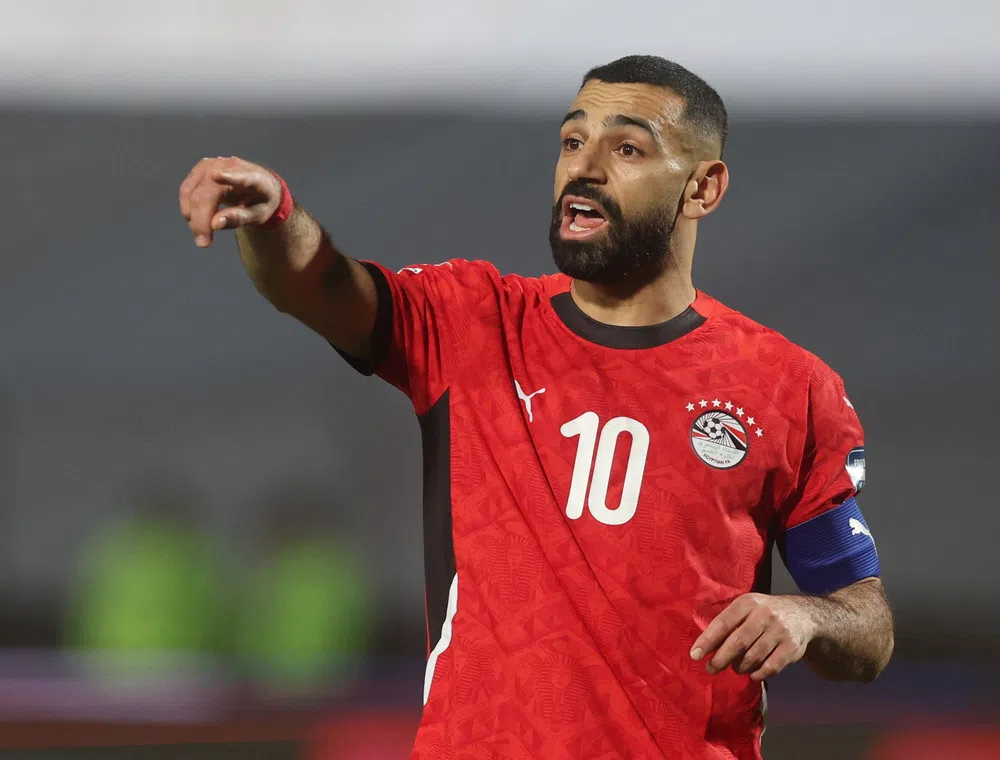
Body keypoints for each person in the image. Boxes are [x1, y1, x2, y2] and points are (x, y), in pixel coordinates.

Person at [179, 55, 894, 759]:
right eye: (572, 140)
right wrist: (276, 219)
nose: (584, 167)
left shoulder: (787, 386)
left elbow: (867, 630)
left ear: (703, 188)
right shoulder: (474, 322)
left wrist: (804, 616)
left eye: (627, 148)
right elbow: (323, 287)